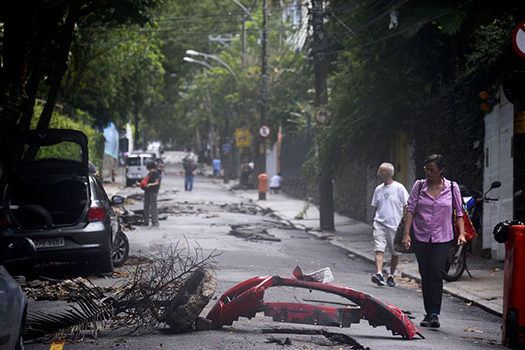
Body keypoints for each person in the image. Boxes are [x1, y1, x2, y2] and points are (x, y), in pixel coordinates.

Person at [402, 154, 465, 328]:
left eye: (432, 170)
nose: (428, 173)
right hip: (420, 237)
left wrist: (462, 233)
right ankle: (428, 312)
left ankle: (434, 314)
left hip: (443, 237)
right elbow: (411, 210)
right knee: (426, 274)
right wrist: (406, 234)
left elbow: (459, 212)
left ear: (441, 170)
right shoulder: (419, 185)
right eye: (426, 170)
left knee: (437, 273)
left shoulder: (452, 187)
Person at [370, 163, 409, 287]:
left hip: (394, 225)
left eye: (380, 172)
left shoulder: (399, 188)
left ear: (387, 174)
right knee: (378, 248)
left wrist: (405, 224)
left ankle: (391, 276)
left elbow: (407, 206)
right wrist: (373, 221)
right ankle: (379, 273)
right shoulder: (378, 189)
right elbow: (375, 207)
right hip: (379, 223)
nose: (377, 174)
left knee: (395, 252)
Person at [139, 161, 160, 226]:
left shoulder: (155, 173)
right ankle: (146, 221)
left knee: (153, 206)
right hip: (147, 191)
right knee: (146, 206)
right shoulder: (149, 173)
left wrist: (150, 184)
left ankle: (155, 221)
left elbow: (157, 182)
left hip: (153, 191)